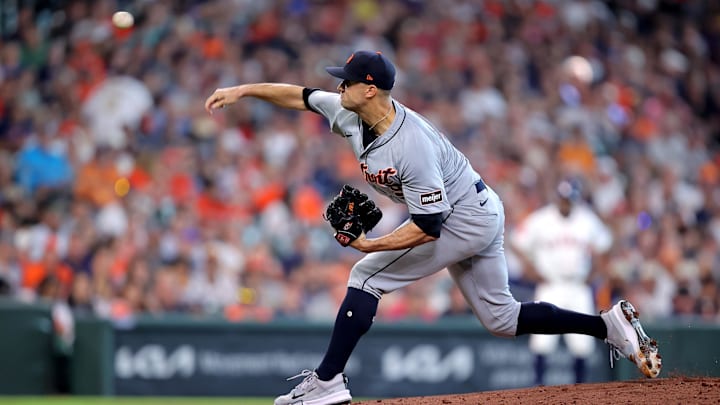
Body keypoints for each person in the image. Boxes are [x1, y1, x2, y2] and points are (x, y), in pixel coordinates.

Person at [204, 50, 661, 405]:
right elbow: (300, 96)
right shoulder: (349, 110)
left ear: (369, 89)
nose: (336, 86)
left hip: (462, 217)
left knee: (366, 274)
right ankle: (607, 326)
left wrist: (370, 243)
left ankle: (326, 381)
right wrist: (243, 90)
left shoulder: (411, 144)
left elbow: (428, 226)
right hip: (478, 207)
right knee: (501, 319)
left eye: (345, 80)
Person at [511, 179, 612, 385]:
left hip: (578, 286)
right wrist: (529, 269)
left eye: (569, 200)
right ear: (557, 198)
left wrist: (595, 273)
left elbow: (604, 244)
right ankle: (538, 387)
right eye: (563, 199)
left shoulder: (586, 219)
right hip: (551, 285)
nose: (565, 204)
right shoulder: (541, 218)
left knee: (582, 342)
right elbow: (516, 241)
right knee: (542, 340)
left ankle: (580, 388)